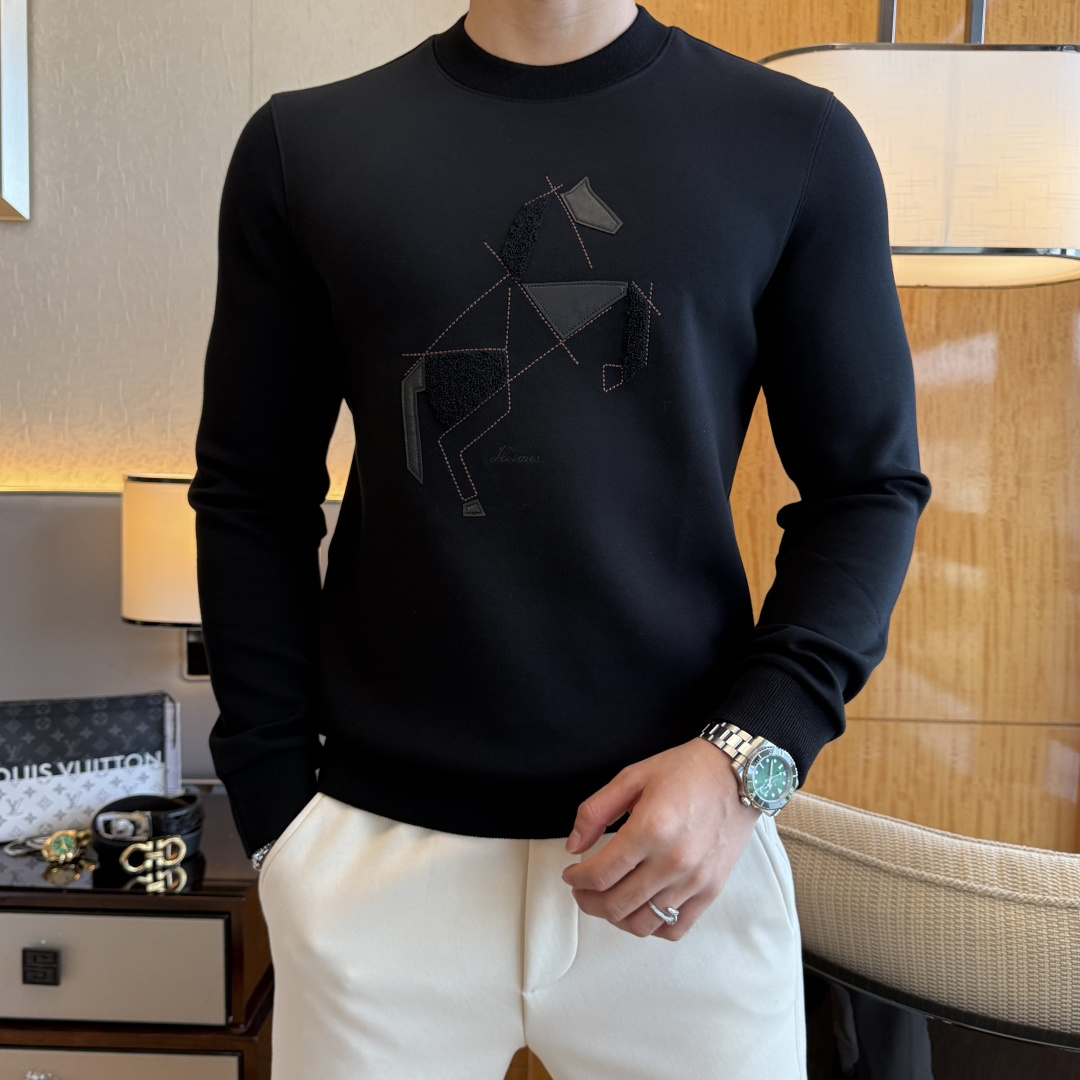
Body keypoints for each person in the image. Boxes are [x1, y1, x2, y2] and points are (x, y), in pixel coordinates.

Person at [188, 1, 932, 1076]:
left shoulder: (796, 141)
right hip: (372, 864)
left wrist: (746, 764)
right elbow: (253, 494)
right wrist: (277, 821)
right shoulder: (303, 147)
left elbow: (867, 488)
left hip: (685, 858)